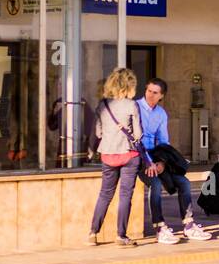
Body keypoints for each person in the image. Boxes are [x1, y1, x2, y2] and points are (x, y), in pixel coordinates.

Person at [135, 77, 211, 244]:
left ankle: (188, 225)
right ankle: (159, 227)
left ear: (161, 96)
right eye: (148, 91)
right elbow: (134, 140)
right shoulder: (135, 108)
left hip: (156, 156)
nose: (151, 95)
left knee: (183, 182)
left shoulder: (161, 113)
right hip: (138, 157)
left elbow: (163, 142)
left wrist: (162, 162)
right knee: (155, 184)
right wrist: (149, 163)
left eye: (155, 93)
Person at [88, 68, 143, 247]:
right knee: (125, 195)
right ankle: (121, 235)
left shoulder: (102, 105)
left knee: (105, 194)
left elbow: (98, 132)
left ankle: (93, 232)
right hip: (128, 154)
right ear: (129, 86)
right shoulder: (131, 105)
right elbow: (138, 134)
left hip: (108, 155)